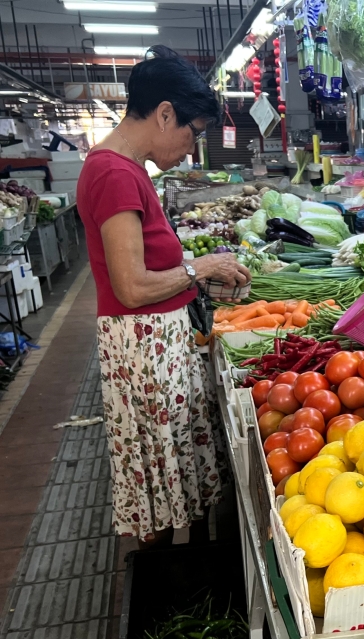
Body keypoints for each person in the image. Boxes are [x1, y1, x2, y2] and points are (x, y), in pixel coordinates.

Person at [77, 46, 250, 545]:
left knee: (167, 465)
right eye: (192, 133)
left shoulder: (126, 169)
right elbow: (131, 287)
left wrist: (197, 279)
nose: (193, 149)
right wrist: (200, 267)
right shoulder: (113, 173)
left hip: (153, 342)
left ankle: (177, 568)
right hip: (144, 346)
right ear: (165, 113)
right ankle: (170, 579)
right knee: (159, 470)